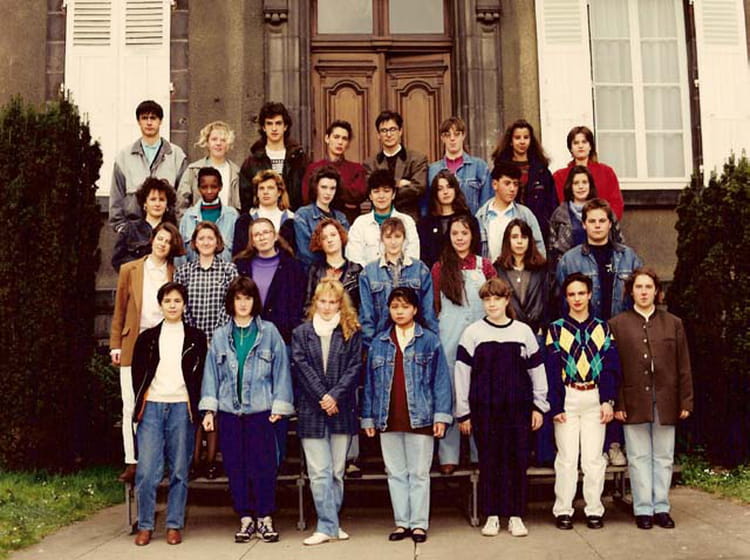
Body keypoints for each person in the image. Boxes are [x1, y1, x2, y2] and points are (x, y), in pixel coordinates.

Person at [200, 276, 294, 543]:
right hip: (230, 413)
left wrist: (280, 405)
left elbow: (281, 370)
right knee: (235, 467)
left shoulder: (269, 332)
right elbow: (211, 375)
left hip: (262, 412)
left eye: (248, 298)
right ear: (231, 302)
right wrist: (209, 411)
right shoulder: (220, 335)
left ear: (255, 301)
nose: (243, 304)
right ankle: (245, 518)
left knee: (263, 466)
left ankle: (265, 517)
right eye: (238, 298)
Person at [454, 277, 549, 538]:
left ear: (507, 300)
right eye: (487, 299)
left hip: (518, 411)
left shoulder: (523, 332)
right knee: (489, 461)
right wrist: (463, 412)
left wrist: (539, 406)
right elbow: (462, 374)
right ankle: (492, 515)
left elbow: (537, 371)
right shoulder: (473, 333)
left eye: (497, 298)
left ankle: (516, 515)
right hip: (484, 411)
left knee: (517, 461)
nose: (492, 304)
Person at [361, 287, 453, 544]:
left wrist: (441, 416)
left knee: (419, 473)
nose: (399, 312)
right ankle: (402, 522)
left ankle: (419, 524)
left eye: (404, 306)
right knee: (395, 473)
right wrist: (368, 417)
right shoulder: (379, 343)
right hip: (388, 418)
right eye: (394, 307)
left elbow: (441, 381)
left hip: (420, 417)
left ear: (415, 309)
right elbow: (369, 384)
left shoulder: (429, 340)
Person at [608, 268, 693, 530]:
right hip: (634, 399)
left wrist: (686, 400)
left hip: (666, 398)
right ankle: (643, 508)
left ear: (656, 291)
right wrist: (619, 403)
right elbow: (614, 369)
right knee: (638, 455)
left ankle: (661, 507)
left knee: (664, 455)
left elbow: (683, 364)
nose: (643, 292)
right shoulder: (617, 324)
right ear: (630, 291)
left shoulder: (673, 323)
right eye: (638, 287)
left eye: (648, 287)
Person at [131, 282, 207, 546]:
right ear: (160, 305)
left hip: (181, 408)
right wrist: (141, 404)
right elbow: (137, 376)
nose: (172, 305)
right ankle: (145, 525)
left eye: (177, 301)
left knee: (179, 470)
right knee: (147, 471)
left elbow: (201, 376)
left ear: (184, 305)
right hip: (152, 406)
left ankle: (174, 524)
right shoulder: (147, 338)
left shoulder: (196, 338)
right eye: (167, 301)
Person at [110, 222, 185, 484]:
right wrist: (116, 344)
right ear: (152, 239)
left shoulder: (175, 272)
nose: (163, 244)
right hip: (133, 343)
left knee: (157, 403)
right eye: (160, 239)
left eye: (168, 242)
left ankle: (157, 460)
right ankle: (132, 460)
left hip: (163, 344)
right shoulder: (130, 269)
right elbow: (119, 310)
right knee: (130, 404)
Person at [546, 273, 620, 530]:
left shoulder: (603, 328)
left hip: (594, 397)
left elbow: (611, 367)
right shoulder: (556, 329)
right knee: (567, 457)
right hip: (568, 396)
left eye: (581, 293)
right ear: (566, 298)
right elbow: (551, 369)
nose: (576, 298)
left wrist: (608, 400)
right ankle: (563, 510)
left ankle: (594, 510)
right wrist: (555, 405)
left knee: (593, 459)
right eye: (571, 294)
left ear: (589, 295)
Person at [292, 278, 363, 545]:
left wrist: (334, 396)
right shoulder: (301, 333)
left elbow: (354, 368)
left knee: (336, 472)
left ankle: (330, 523)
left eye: (333, 302)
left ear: (340, 304)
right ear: (315, 302)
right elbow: (301, 367)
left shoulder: (351, 331)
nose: (327, 306)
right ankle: (327, 526)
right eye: (322, 301)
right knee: (319, 472)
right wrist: (323, 396)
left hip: (341, 408)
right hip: (312, 409)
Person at [431, 215, 496, 475]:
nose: (459, 238)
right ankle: (449, 453)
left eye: (464, 233)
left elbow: (496, 299)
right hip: (449, 336)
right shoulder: (440, 268)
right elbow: (435, 305)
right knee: (449, 391)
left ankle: (481, 451)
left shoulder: (485, 266)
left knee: (479, 391)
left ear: (473, 236)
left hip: (481, 337)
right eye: (455, 233)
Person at [174, 221, 239, 478]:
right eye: (201, 238)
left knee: (213, 399)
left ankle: (211, 459)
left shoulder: (228, 269)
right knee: (195, 399)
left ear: (218, 242)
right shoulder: (184, 272)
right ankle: (194, 459)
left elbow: (230, 304)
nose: (206, 242)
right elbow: (182, 307)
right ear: (194, 242)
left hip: (220, 343)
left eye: (210, 238)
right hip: (192, 343)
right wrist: (197, 339)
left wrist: (215, 338)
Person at [494, 218, 553, 466]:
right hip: (509, 336)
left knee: (538, 391)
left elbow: (549, 300)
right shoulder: (498, 269)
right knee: (514, 391)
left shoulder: (542, 268)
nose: (519, 242)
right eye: (514, 237)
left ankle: (541, 451)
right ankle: (517, 450)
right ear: (508, 241)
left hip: (536, 334)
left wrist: (542, 328)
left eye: (524, 236)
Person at [556, 198, 642, 321]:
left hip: (622, 328)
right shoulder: (569, 261)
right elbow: (561, 303)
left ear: (610, 224)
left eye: (602, 221)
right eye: (592, 221)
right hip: (585, 329)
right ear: (584, 224)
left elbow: (640, 296)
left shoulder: (629, 257)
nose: (597, 225)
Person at [358, 217, 438, 348]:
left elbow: (428, 312)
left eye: (397, 236)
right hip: (381, 341)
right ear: (381, 239)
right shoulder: (368, 273)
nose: (393, 242)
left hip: (415, 341)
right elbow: (367, 316)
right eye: (388, 237)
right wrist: (372, 346)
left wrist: (431, 343)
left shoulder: (420, 269)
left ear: (404, 239)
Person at [110, 100, 187, 232]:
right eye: (144, 118)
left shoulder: (176, 155)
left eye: (153, 118)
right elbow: (116, 195)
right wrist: (122, 228)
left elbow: (183, 197)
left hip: (167, 230)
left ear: (160, 121)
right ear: (139, 121)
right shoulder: (124, 157)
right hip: (133, 230)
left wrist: (179, 229)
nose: (149, 122)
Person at [234, 218, 306, 345]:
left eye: (266, 232)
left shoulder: (293, 267)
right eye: (257, 234)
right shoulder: (241, 266)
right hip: (248, 335)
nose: (262, 237)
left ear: (275, 236)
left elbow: (300, 303)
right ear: (252, 242)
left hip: (283, 337)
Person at [491, 119, 557, 242]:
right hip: (508, 228)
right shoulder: (501, 168)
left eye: (526, 137)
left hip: (538, 230)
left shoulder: (541, 170)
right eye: (517, 138)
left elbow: (552, 203)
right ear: (510, 141)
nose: (522, 141)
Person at [548, 165, 623, 273]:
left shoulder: (605, 210)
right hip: (572, 271)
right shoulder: (560, 214)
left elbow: (619, 243)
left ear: (590, 185)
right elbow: (552, 249)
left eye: (584, 182)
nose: (581, 187)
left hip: (602, 268)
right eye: (576, 183)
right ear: (570, 186)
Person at [239, 101, 308, 212]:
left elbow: (306, 195)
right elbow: (246, 200)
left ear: (285, 126)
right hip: (262, 218)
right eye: (269, 124)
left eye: (278, 123)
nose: (274, 128)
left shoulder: (299, 159)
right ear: (263, 127)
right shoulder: (251, 162)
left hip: (294, 217)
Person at [475, 160, 546, 262]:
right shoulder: (481, 216)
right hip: (489, 270)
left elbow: (539, 248)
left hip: (519, 270)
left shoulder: (525, 215)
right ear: (495, 184)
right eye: (507, 183)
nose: (512, 189)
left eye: (515, 184)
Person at [346, 169, 420, 267]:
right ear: (370, 196)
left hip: (402, 275)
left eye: (386, 191)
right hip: (367, 276)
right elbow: (354, 258)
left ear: (393, 194)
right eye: (376, 192)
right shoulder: (360, 224)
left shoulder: (406, 222)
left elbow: (413, 256)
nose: (381, 196)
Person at [363, 110, 427, 221]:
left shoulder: (417, 159)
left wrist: (384, 190)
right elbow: (370, 191)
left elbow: (418, 188)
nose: (388, 134)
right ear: (378, 135)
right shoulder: (370, 164)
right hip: (379, 220)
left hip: (409, 218)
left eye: (392, 129)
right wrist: (398, 183)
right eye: (384, 130)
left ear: (400, 131)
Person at [302, 120, 368, 224]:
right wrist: (344, 200)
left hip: (347, 222)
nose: (340, 142)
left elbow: (358, 195)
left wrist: (324, 194)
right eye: (336, 137)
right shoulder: (313, 168)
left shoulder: (356, 169)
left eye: (344, 138)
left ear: (348, 143)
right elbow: (307, 197)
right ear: (327, 138)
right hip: (318, 222)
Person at [552, 126, 624, 220]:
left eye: (584, 142)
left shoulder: (606, 172)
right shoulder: (559, 176)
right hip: (571, 225)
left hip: (602, 225)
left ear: (590, 146)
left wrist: (606, 222)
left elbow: (616, 203)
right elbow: (558, 205)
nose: (580, 146)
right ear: (570, 148)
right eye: (576, 143)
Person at [426, 116, 492, 216]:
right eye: (447, 135)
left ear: (463, 135)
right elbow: (427, 204)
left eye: (456, 134)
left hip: (471, 223)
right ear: (442, 138)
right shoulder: (433, 170)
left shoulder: (479, 166)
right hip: (441, 223)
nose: (452, 139)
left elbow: (487, 204)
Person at [175, 120, 241, 219]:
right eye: (214, 139)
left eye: (223, 140)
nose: (218, 143)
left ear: (228, 144)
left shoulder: (236, 172)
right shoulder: (193, 170)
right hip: (199, 225)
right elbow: (181, 204)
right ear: (207, 142)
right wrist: (190, 224)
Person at [111, 177, 177, 271]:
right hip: (137, 278)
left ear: (167, 205)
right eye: (153, 199)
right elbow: (117, 260)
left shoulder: (172, 231)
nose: (157, 204)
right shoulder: (130, 229)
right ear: (145, 203)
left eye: (162, 200)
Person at [417, 170, 479, 269]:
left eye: (449, 187)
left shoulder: (470, 220)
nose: (445, 192)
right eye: (440, 189)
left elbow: (476, 251)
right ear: (435, 193)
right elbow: (423, 256)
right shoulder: (425, 224)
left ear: (455, 189)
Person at [294, 165, 350, 270]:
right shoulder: (303, 215)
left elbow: (347, 249)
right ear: (316, 188)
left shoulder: (341, 218)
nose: (328, 193)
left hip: (339, 271)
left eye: (332, 188)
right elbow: (306, 252)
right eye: (324, 187)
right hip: (311, 272)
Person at [178, 167, 238, 263]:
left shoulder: (232, 216)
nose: (209, 191)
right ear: (198, 188)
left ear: (220, 187)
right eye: (204, 187)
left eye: (214, 187)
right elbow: (180, 253)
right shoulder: (188, 217)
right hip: (193, 271)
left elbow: (238, 252)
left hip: (225, 271)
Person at [232, 169, 296, 257]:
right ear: (257, 193)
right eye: (261, 188)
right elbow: (238, 254)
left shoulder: (291, 219)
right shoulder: (245, 220)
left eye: (270, 188)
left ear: (279, 192)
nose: (265, 192)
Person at [305, 218, 362, 311]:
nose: (329, 240)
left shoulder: (356, 270)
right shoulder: (314, 270)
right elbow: (308, 304)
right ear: (320, 243)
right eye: (324, 238)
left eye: (333, 235)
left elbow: (362, 306)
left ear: (341, 236)